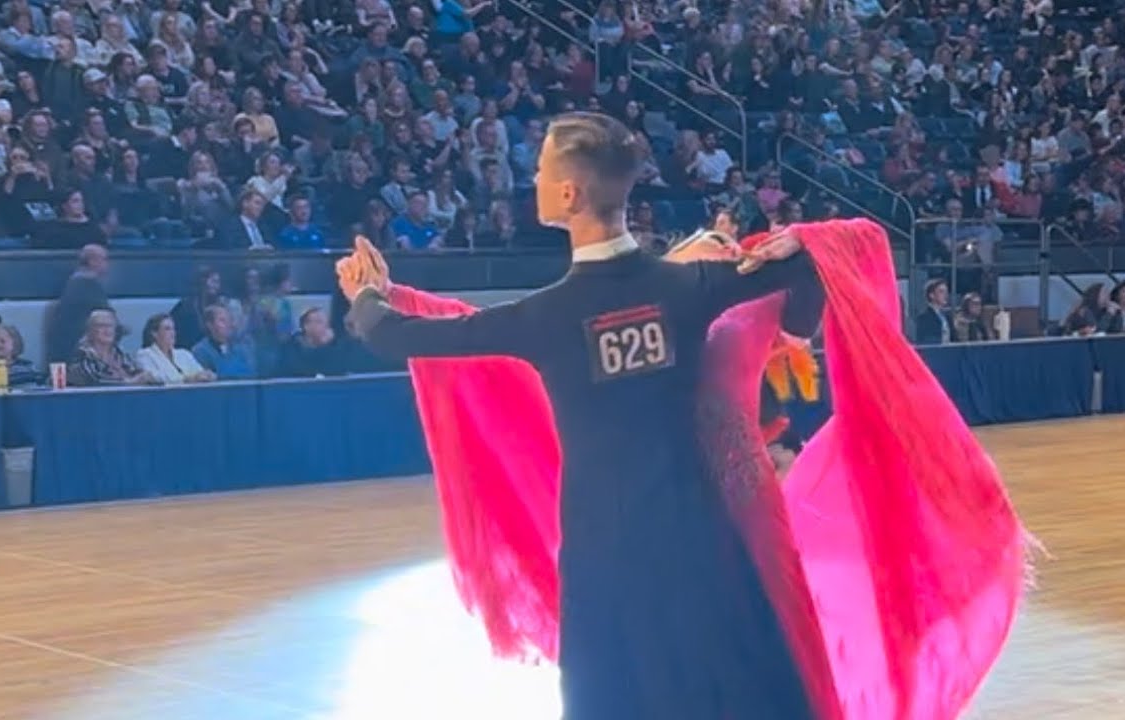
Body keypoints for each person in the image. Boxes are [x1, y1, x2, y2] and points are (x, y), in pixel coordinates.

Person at [338, 113, 1031, 719]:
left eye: (543, 169)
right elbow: (842, 252)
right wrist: (807, 239)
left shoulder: (547, 316)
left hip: (607, 547)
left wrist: (369, 295)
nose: (536, 179)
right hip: (703, 532)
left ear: (570, 195)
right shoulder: (689, 285)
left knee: (615, 692)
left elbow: (402, 338)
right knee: (736, 679)